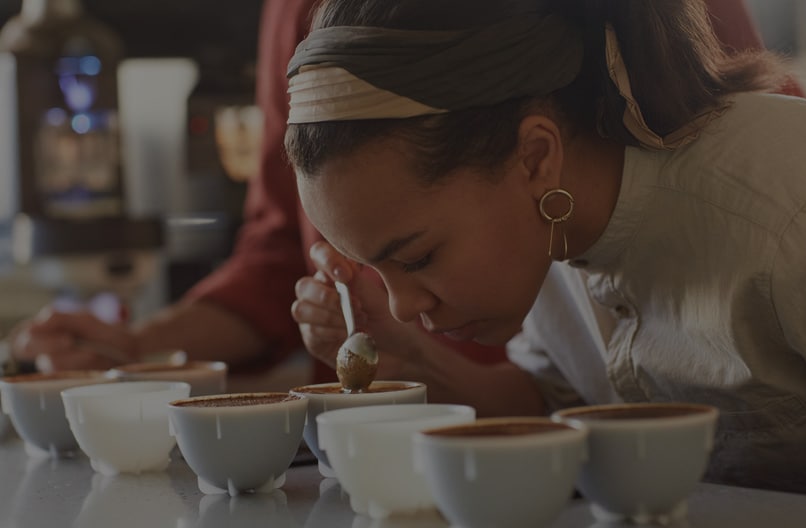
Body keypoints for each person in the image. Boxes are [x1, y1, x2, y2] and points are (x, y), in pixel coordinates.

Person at [286, 0, 806, 496]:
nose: (404, 305)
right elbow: (549, 401)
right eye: (375, 269)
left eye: (417, 258)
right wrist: (411, 356)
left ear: (535, 157)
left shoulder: (801, 215)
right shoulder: (546, 223)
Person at [6, 0, 505, 389]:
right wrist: (139, 345)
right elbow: (279, 254)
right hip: (364, 430)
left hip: (531, 414)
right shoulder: (291, 10)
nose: (400, 306)